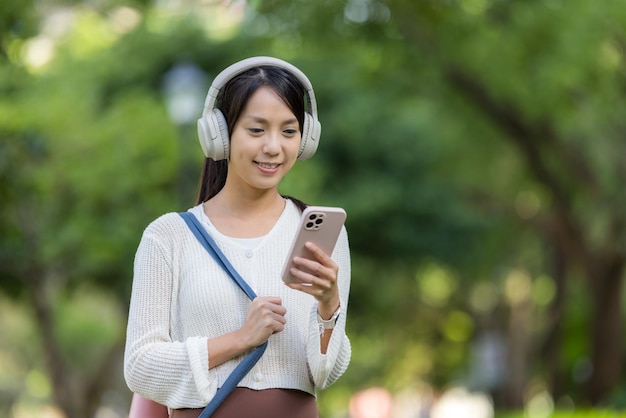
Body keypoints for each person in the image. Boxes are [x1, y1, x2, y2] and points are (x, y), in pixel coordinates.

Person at [124, 56, 351, 418]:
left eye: (289, 131)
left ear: (306, 139)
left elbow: (324, 373)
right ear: (219, 134)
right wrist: (240, 339)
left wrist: (328, 307)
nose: (274, 147)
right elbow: (140, 366)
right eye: (257, 130)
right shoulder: (168, 236)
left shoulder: (323, 234)